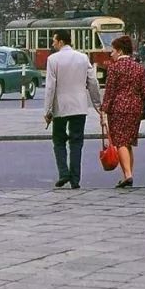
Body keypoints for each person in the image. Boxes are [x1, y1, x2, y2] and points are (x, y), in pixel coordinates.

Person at [43, 29, 102, 190]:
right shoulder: (83, 58)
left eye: (54, 41)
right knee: (77, 143)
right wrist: (97, 104)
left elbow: (50, 87)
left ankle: (63, 172)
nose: (52, 44)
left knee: (59, 141)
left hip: (60, 106)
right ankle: (75, 179)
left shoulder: (53, 59)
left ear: (61, 42)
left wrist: (47, 110)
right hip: (79, 105)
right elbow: (93, 82)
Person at [100, 34, 145, 188]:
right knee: (127, 143)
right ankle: (128, 174)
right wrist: (141, 107)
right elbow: (144, 92)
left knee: (120, 141)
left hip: (118, 109)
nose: (111, 54)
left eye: (113, 51)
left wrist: (104, 111)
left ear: (120, 51)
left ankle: (128, 175)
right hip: (135, 109)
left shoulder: (114, 68)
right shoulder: (139, 68)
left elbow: (110, 91)